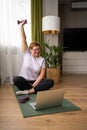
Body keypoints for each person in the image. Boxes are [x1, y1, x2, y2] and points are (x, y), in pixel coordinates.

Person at [13, 20, 54, 95]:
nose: (37, 51)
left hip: (36, 81)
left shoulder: (42, 60)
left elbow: (41, 75)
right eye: (35, 50)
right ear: (30, 50)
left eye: (38, 49)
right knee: (16, 79)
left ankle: (28, 91)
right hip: (25, 81)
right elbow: (23, 39)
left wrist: (34, 84)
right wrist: (21, 26)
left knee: (50, 82)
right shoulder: (27, 54)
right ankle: (35, 90)